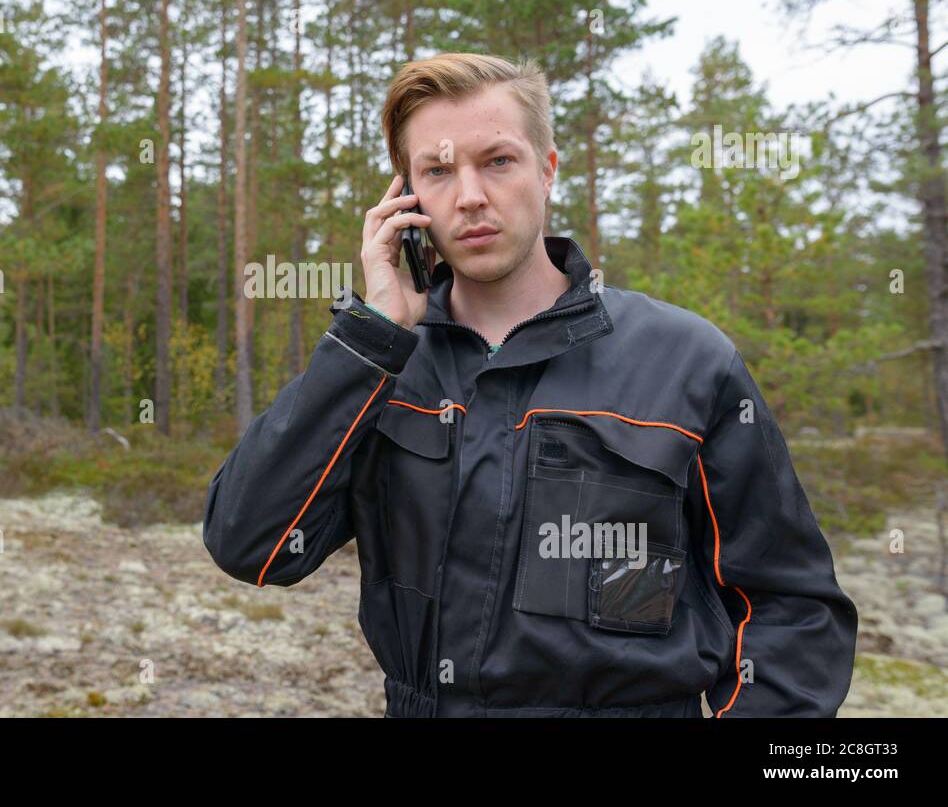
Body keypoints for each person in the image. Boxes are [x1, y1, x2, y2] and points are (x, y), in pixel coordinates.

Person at [203, 52, 858, 717]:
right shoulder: (383, 368)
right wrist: (369, 337)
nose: (470, 196)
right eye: (437, 170)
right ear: (406, 199)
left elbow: (792, 612)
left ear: (547, 170)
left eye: (498, 161)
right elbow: (250, 543)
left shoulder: (685, 361)